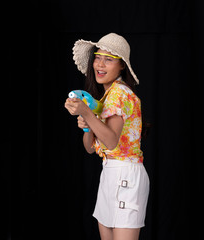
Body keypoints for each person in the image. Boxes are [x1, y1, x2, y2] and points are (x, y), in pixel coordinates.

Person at [64, 33, 150, 240]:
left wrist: (86, 113)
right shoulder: (105, 97)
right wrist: (88, 125)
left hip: (126, 175)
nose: (100, 64)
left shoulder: (120, 93)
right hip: (109, 173)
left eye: (109, 59)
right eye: (98, 57)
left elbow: (111, 141)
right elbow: (90, 148)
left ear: (122, 66)